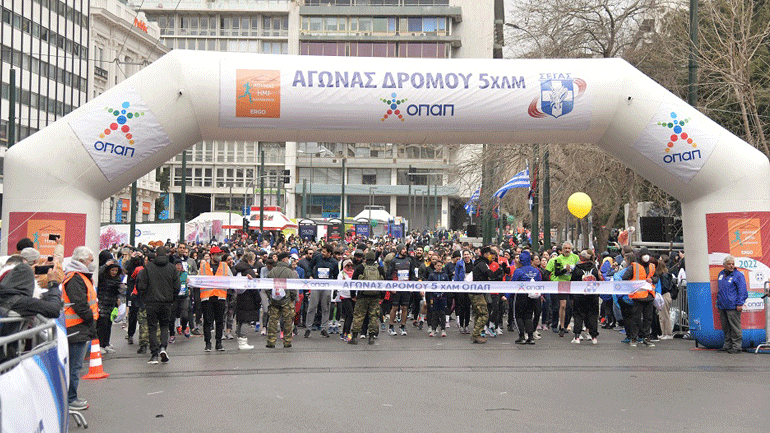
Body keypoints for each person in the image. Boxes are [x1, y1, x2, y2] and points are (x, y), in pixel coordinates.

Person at [62, 246, 99, 411]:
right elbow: (80, 303)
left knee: (74, 365)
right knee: (74, 366)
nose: (92, 263)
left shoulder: (76, 276)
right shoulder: (76, 278)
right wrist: (90, 318)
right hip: (76, 327)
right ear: (83, 261)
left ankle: (71, 397)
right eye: (91, 260)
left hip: (76, 326)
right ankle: (71, 398)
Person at [137, 246, 180, 364]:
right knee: (165, 326)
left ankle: (154, 354)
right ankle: (163, 348)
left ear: (155, 254)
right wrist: (172, 297)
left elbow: (141, 286)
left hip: (151, 302)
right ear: (166, 254)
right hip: (166, 302)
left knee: (152, 327)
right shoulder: (172, 268)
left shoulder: (148, 267)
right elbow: (177, 286)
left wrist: (145, 297)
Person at [196, 246, 232, 352]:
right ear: (211, 256)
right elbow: (198, 280)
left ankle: (219, 343)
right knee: (207, 321)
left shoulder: (225, 266)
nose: (219, 256)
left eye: (220, 254)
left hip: (220, 297)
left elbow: (232, 279)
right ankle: (208, 343)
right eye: (217, 254)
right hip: (207, 297)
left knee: (220, 321)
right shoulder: (203, 266)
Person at [622, 247, 658, 347]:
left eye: (647, 255)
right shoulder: (634, 266)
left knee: (648, 319)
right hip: (637, 296)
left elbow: (656, 277)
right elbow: (625, 277)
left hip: (649, 296)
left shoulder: (652, 266)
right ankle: (634, 338)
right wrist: (633, 285)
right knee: (636, 319)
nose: (646, 257)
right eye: (644, 255)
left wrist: (652, 279)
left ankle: (646, 337)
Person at [349, 251, 385, 345]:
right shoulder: (379, 268)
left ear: (365, 258)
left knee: (358, 316)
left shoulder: (360, 267)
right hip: (375, 296)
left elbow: (353, 282)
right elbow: (384, 283)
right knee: (373, 317)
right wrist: (382, 296)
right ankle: (372, 337)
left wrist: (353, 295)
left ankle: (354, 337)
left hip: (362, 296)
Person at [545, 242, 579, 337]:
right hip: (560, 284)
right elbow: (556, 273)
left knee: (569, 307)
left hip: (572, 284)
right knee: (561, 306)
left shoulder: (575, 258)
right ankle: (560, 327)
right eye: (565, 248)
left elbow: (578, 270)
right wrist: (565, 270)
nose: (567, 250)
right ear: (562, 250)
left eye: (569, 248)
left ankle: (565, 324)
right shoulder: (557, 259)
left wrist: (572, 271)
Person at [265, 252, 299, 348]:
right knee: (288, 321)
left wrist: (270, 296)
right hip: (286, 300)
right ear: (284, 259)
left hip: (274, 300)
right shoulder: (289, 272)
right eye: (288, 259)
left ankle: (271, 341)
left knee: (273, 321)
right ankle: (287, 341)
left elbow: (266, 286)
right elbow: (293, 287)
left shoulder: (272, 271)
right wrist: (292, 297)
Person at [716, 255, 747, 354]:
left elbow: (742, 291)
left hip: (733, 306)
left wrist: (740, 303)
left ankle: (737, 346)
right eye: (729, 264)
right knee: (726, 327)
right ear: (724, 265)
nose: (731, 266)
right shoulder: (721, 274)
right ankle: (727, 345)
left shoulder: (738, 275)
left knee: (735, 327)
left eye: (733, 264)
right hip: (722, 305)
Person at [305, 245, 338, 338]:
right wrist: (310, 275)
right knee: (312, 307)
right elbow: (310, 266)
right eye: (322, 251)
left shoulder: (334, 262)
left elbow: (336, 276)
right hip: (316, 285)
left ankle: (324, 329)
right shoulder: (317, 258)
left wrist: (335, 289)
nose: (322, 253)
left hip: (327, 286)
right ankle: (308, 328)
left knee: (325, 308)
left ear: (329, 253)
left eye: (324, 252)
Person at [471, 246, 502, 344]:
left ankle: (478, 334)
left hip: (479, 291)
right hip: (477, 292)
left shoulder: (481, 263)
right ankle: (476, 334)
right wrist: (500, 270)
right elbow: (491, 275)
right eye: (489, 254)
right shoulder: (482, 264)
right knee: (484, 314)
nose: (491, 256)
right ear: (485, 254)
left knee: (478, 314)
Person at [570, 250, 601, 345]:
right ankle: (594, 337)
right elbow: (598, 280)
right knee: (592, 315)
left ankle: (577, 336)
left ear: (581, 258)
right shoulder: (594, 268)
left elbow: (572, 282)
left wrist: (571, 296)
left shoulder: (577, 269)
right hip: (593, 295)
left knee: (578, 315)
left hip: (579, 295)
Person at [511, 250, 541, 344]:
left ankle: (522, 336)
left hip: (521, 295)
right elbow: (540, 283)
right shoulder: (536, 271)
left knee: (518, 316)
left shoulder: (518, 271)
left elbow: (513, 284)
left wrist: (508, 296)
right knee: (528, 316)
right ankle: (531, 337)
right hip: (532, 296)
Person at [386, 244, 416, 336]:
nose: (404, 250)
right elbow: (389, 275)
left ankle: (403, 326)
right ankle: (391, 327)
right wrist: (392, 287)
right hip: (396, 288)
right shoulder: (393, 261)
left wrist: (411, 286)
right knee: (394, 308)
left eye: (405, 249)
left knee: (404, 307)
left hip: (406, 288)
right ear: (399, 250)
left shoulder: (409, 260)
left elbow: (412, 274)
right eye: (403, 249)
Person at [97, 262, 125, 354]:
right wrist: (105, 265)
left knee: (108, 325)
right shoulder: (103, 277)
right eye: (112, 270)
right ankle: (100, 344)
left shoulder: (117, 279)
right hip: (102, 303)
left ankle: (106, 343)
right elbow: (99, 273)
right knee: (102, 325)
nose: (114, 272)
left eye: (116, 270)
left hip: (111, 304)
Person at [233, 251, 260, 350]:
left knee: (240, 320)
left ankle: (240, 339)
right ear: (249, 260)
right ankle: (243, 340)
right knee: (246, 320)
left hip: (240, 297)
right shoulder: (249, 271)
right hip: (249, 298)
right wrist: (258, 299)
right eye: (253, 260)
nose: (254, 262)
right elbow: (254, 287)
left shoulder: (238, 270)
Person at [426, 258, 448, 337]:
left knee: (442, 313)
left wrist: (442, 293)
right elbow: (429, 286)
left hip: (442, 297)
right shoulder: (432, 275)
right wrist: (434, 294)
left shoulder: (445, 275)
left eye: (440, 266)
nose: (439, 267)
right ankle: (433, 329)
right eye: (437, 266)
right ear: (435, 266)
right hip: (434, 297)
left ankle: (443, 329)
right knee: (434, 313)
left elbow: (448, 286)